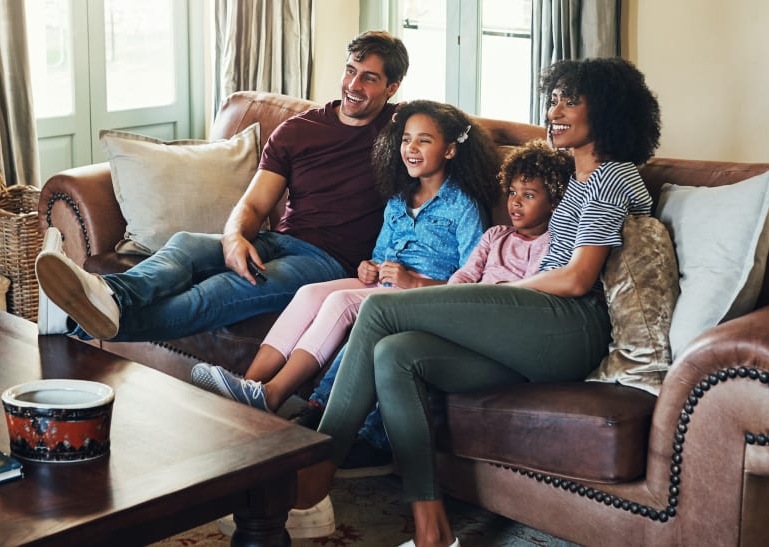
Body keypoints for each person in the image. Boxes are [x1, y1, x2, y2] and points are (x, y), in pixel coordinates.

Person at [295, 57, 661, 547]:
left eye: (570, 101)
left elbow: (577, 279)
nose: (554, 111)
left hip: (572, 327)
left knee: (380, 309)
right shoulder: (578, 179)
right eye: (553, 98)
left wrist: (490, 296)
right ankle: (432, 531)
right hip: (538, 332)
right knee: (396, 354)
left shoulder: (610, 176)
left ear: (610, 111)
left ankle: (312, 486)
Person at [33, 31, 410, 344]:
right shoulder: (299, 131)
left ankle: (72, 324)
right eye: (350, 71)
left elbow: (452, 140)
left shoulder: (404, 132)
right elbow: (255, 205)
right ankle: (110, 293)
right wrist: (234, 238)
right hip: (278, 240)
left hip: (328, 263)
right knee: (185, 244)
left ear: (392, 87)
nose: (353, 85)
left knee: (215, 293)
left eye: (369, 78)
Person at [190, 100, 501, 418]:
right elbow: (380, 257)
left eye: (424, 140)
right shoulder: (398, 199)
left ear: (449, 150)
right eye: (406, 139)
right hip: (386, 285)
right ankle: (247, 385)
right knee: (309, 293)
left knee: (341, 302)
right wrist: (369, 268)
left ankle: (272, 394)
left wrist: (415, 282)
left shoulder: (464, 206)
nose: (411, 148)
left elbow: (472, 284)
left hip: (424, 296)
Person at [289, 138, 574, 475]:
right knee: (377, 331)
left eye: (529, 195)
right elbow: (465, 275)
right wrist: (445, 303)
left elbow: (534, 293)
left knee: (401, 343)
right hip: (462, 310)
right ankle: (321, 406)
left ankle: (376, 441)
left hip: (498, 326)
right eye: (512, 192)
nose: (515, 203)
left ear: (554, 203)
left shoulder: (552, 245)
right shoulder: (496, 235)